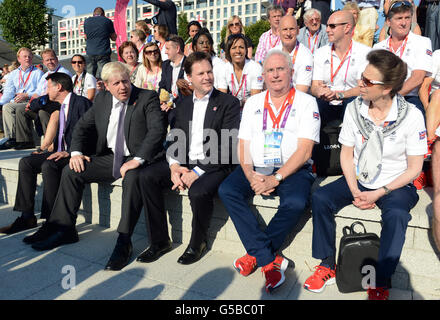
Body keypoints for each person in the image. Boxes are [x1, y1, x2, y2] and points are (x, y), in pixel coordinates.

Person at [304, 49, 426, 300]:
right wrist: (355, 189)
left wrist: (378, 193)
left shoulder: (411, 116)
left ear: (387, 88)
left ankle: (380, 280)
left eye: (368, 81)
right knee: (320, 198)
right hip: (360, 178)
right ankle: (327, 265)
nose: (360, 83)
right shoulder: (354, 109)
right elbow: (346, 154)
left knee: (397, 215)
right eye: (362, 76)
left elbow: (414, 169)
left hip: (396, 183)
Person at [28, 62, 168, 273]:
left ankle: (124, 240)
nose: (123, 87)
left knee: (132, 177)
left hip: (140, 158)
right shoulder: (102, 99)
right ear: (106, 86)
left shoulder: (147, 97)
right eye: (116, 83)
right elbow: (82, 127)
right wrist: (75, 153)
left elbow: (157, 132)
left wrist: (138, 159)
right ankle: (64, 228)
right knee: (71, 170)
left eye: (125, 81)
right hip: (111, 157)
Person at [218, 50, 321, 293]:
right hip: (257, 166)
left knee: (296, 202)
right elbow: (242, 145)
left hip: (293, 169)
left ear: (291, 72)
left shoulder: (307, 102)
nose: (275, 75)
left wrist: (275, 178)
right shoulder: (254, 102)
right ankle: (267, 259)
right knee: (227, 190)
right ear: (263, 75)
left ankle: (256, 254)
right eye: (270, 71)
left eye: (280, 69)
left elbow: (305, 151)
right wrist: (251, 173)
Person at [136, 51, 241, 266]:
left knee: (199, 190)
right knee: (146, 176)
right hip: (186, 162)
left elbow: (227, 145)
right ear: (189, 77)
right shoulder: (183, 105)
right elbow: (175, 138)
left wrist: (196, 172)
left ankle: (197, 243)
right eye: (201, 73)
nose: (207, 77)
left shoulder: (228, 103)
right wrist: (175, 167)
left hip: (215, 165)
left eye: (209, 71)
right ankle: (159, 242)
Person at [0, 73, 92, 236]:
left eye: (49, 86)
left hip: (74, 154)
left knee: (49, 165)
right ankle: (27, 216)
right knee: (26, 162)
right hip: (58, 151)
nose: (46, 90)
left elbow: (90, 133)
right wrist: (43, 148)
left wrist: (70, 152)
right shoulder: (59, 104)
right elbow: (35, 107)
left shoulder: (81, 103)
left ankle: (51, 220)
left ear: (59, 87)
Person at [373, 0, 432, 117]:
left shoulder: (422, 42)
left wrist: (392, 96)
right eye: (399, 18)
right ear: (388, 22)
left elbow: (418, 77)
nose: (404, 23)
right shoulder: (378, 47)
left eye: (407, 18)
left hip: (409, 98)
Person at [311, 10, 370, 127]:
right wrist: (320, 91)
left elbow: (364, 88)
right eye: (327, 26)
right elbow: (314, 87)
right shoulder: (320, 53)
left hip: (350, 101)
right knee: (312, 109)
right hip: (326, 102)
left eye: (332, 26)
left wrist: (339, 95)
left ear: (347, 28)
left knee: (354, 105)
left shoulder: (364, 53)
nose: (327, 30)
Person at [13, 48, 72, 151]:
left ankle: (50, 144)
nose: (50, 62)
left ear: (57, 59)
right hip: (44, 103)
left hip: (57, 105)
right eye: (47, 60)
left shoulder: (64, 73)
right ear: (43, 62)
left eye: (52, 59)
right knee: (21, 110)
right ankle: (26, 141)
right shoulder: (45, 75)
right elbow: (38, 93)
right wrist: (30, 103)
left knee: (42, 112)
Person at [0, 48, 44, 150]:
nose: (27, 58)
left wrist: (27, 95)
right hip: (17, 101)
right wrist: (1, 103)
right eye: (25, 56)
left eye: (29, 56)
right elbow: (8, 92)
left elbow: (41, 91)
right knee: (6, 106)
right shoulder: (13, 74)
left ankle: (14, 139)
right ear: (19, 59)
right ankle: (11, 138)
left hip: (32, 100)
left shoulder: (38, 73)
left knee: (16, 108)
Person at [218, 34, 264, 110]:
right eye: (234, 48)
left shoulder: (255, 68)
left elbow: (255, 100)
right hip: (231, 111)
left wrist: (236, 103)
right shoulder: (223, 68)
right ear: (228, 51)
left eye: (241, 47)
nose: (238, 51)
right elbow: (222, 99)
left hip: (251, 110)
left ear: (246, 50)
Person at [270, 15, 314, 93]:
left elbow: (301, 92)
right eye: (285, 29)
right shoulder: (272, 53)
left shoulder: (305, 55)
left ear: (298, 30)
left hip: (296, 100)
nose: (288, 33)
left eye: (292, 29)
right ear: (278, 32)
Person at [158, 35, 186, 127]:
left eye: (168, 49)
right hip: (166, 106)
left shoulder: (189, 64)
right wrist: (162, 102)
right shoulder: (166, 65)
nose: (165, 52)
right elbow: (162, 86)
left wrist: (172, 104)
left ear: (177, 49)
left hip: (182, 107)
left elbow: (188, 92)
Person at [83, 7, 117, 79]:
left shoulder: (86, 21)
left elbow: (85, 36)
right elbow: (114, 38)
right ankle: (104, 89)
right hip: (103, 52)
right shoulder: (107, 21)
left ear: (93, 14)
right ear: (103, 14)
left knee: (89, 77)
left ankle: (88, 89)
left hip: (90, 53)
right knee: (104, 76)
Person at [419, 49, 440, 158]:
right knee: (438, 94)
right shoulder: (438, 55)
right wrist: (428, 109)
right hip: (438, 99)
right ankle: (430, 141)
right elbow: (424, 87)